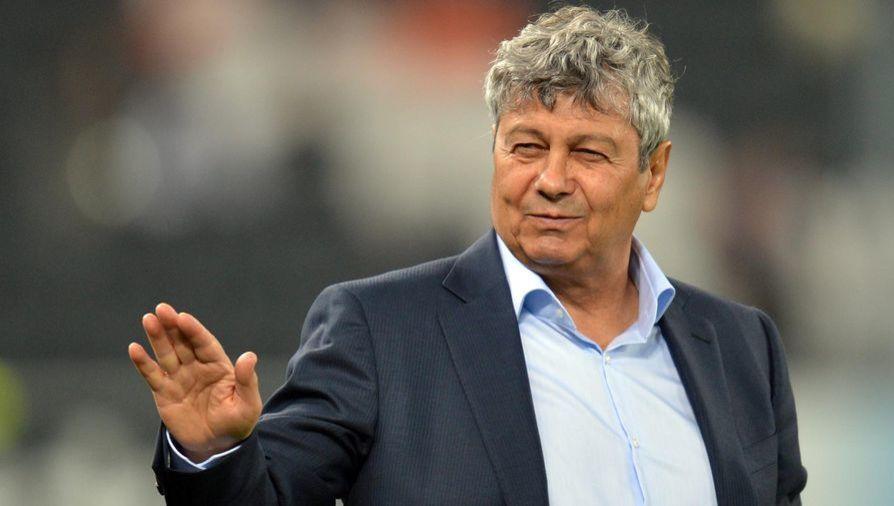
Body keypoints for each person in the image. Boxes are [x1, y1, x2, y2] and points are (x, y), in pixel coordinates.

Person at [128, 6, 807, 505]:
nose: (550, 180)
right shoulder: (380, 332)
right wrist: (213, 452)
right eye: (526, 147)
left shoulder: (743, 347)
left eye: (588, 153)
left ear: (653, 175)